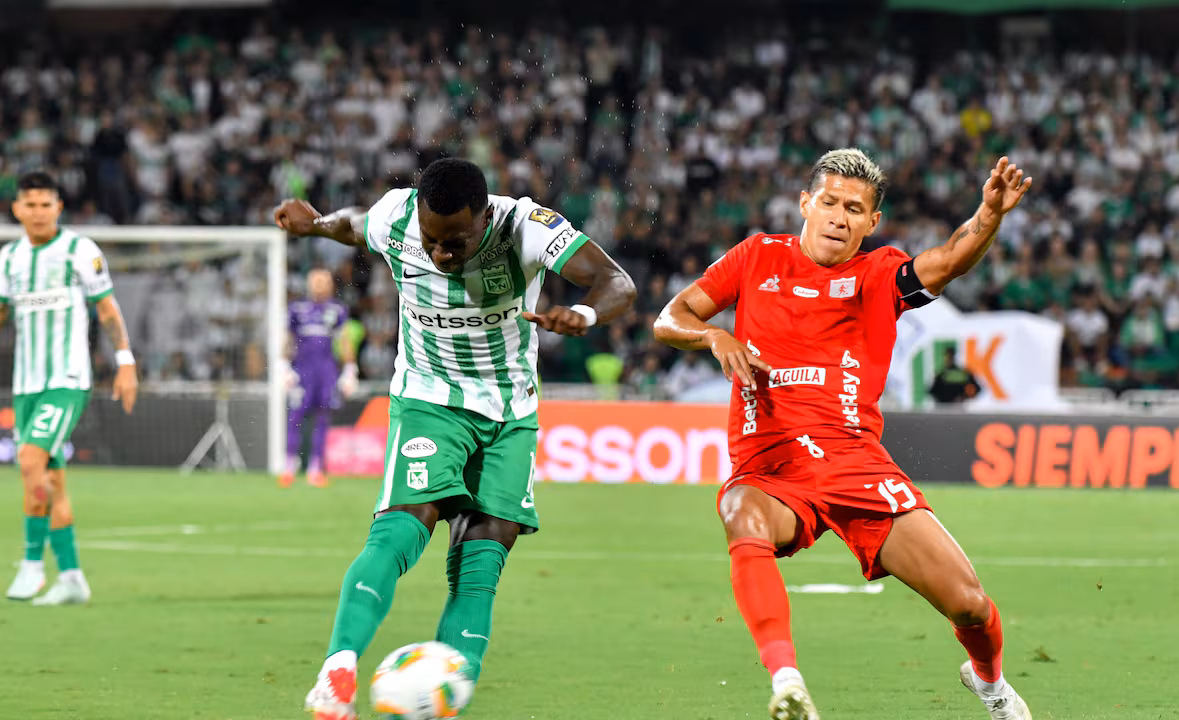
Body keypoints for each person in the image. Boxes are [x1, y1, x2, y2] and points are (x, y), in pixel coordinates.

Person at [655, 150, 1034, 720]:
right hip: (773, 466)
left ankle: (991, 683)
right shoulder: (757, 256)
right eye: (828, 203)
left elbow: (950, 260)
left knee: (971, 607)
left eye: (854, 209)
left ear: (871, 222)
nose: (839, 216)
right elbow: (671, 317)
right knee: (739, 510)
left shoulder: (880, 273)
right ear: (805, 204)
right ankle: (787, 681)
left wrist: (989, 216)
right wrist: (713, 337)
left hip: (856, 463)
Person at [273, 157, 636, 720]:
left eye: (457, 242)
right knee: (402, 525)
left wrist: (585, 314)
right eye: (432, 239)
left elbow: (617, 281)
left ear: (485, 216)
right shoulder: (396, 216)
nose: (442, 253)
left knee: (480, 563)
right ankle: (336, 672)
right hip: (429, 398)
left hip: (510, 413)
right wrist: (316, 223)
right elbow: (352, 224)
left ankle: (440, 700)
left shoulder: (526, 227)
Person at [1, 171, 139, 605]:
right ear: (17, 209)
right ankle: (73, 577)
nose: (39, 212)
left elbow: (107, 309)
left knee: (28, 460)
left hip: (68, 380)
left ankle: (31, 565)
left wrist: (125, 361)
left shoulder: (81, 251)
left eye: (47, 204)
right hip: (26, 385)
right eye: (31, 204)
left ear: (58, 207)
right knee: (51, 480)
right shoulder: (8, 260)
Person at [281, 267, 358, 488]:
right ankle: (289, 465)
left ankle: (316, 468)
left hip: (326, 371)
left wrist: (350, 369)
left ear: (331, 284)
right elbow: (288, 338)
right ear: (308, 283)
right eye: (315, 280)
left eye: (323, 281)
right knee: (295, 416)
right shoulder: (297, 309)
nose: (319, 285)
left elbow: (344, 340)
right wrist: (283, 366)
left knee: (322, 418)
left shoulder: (337, 310)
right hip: (302, 370)